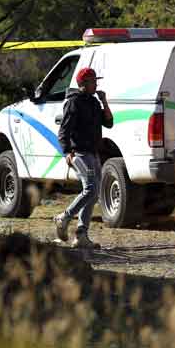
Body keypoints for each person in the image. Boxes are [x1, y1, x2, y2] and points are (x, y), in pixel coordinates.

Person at [53, 67, 113, 248]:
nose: (96, 84)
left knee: (93, 194)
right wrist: (67, 152)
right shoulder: (74, 102)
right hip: (79, 153)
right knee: (90, 189)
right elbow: (63, 131)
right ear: (82, 84)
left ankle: (81, 235)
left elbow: (109, 123)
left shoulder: (94, 102)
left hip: (93, 154)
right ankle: (63, 218)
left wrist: (104, 101)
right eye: (93, 81)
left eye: (96, 80)